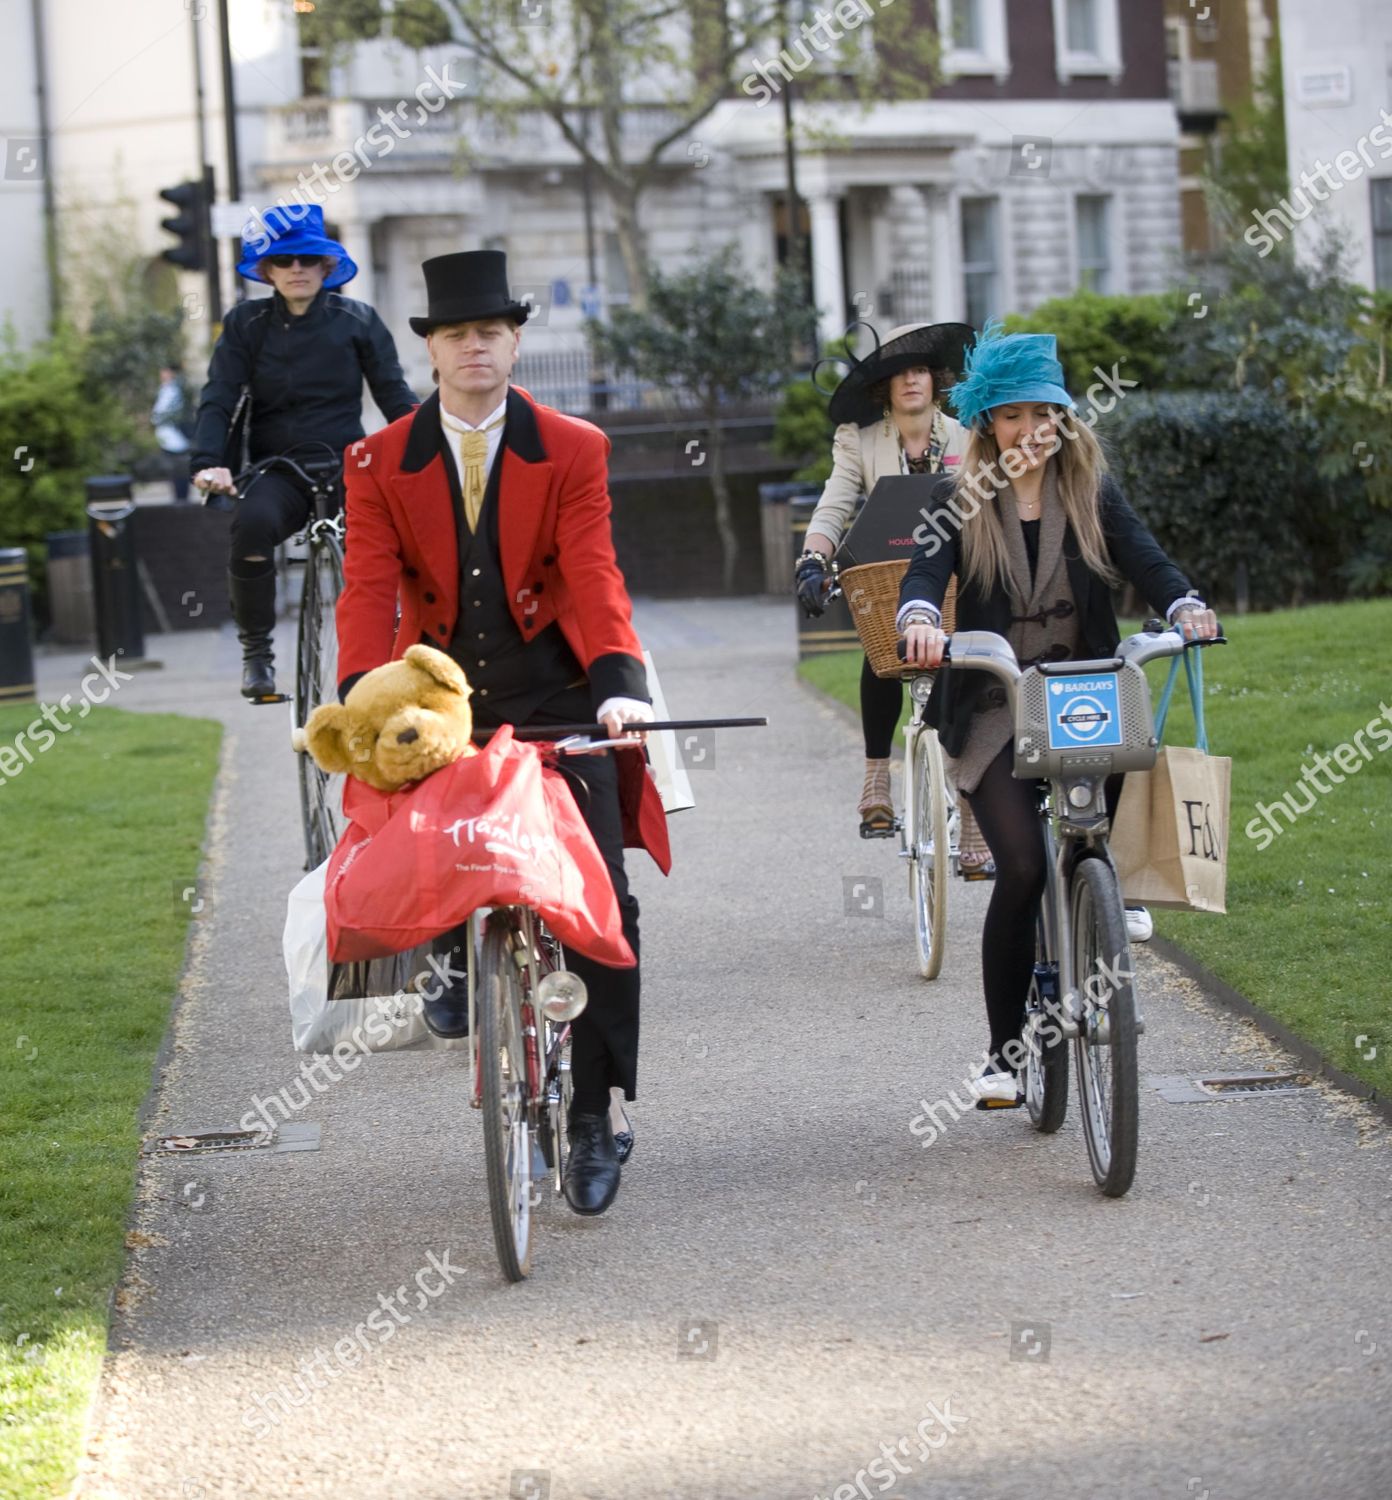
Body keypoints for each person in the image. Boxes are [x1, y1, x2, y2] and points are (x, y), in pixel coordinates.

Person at [334, 249, 667, 1216]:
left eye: (490, 331)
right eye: (454, 334)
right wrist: (364, 694)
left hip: (559, 689)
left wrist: (620, 686)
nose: (473, 346)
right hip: (438, 700)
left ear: (515, 341)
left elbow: (595, 573)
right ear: (431, 350)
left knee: (601, 894)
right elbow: (365, 588)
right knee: (415, 835)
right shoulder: (375, 460)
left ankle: (597, 1116)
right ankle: (443, 944)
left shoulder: (573, 448)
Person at [896, 323, 1217, 1106]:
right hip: (996, 704)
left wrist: (1183, 603)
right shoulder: (957, 498)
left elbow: (1146, 557)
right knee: (1024, 865)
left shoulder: (1091, 493)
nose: (1028, 432)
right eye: (1010, 416)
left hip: (1085, 695)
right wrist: (919, 618)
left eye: (1043, 414)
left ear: (1064, 419)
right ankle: (1006, 1054)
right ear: (987, 426)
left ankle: (1103, 907)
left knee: (1090, 846)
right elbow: (923, 570)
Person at [190, 204, 417, 699]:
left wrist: (427, 444)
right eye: (285, 260)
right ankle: (257, 656)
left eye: (308, 259)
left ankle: (399, 650)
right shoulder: (246, 325)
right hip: (279, 470)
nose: (297, 269)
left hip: (349, 467)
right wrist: (208, 461)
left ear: (326, 267)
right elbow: (219, 396)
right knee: (250, 525)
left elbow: (394, 395)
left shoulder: (357, 320)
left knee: (388, 540)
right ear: (268, 270)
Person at [794, 321, 994, 875]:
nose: (912, 380)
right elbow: (835, 505)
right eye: (900, 372)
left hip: (958, 572)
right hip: (887, 574)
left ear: (936, 381)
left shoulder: (967, 435)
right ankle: (876, 775)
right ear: (886, 387)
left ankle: (973, 810)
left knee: (971, 669)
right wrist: (812, 558)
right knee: (881, 652)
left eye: (922, 370)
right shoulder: (858, 440)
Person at [151, 366, 193, 502]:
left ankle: (182, 498)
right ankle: (179, 498)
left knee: (180, 469)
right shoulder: (165, 389)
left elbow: (164, 414)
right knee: (174, 471)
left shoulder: (175, 390)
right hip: (167, 438)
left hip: (176, 437)